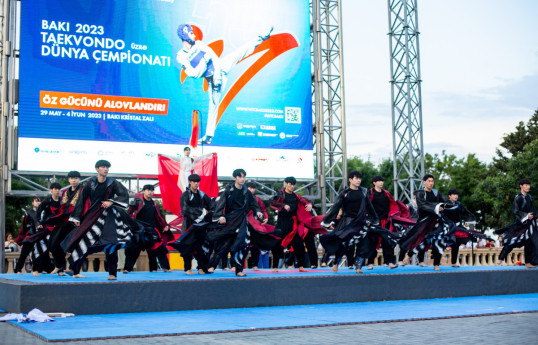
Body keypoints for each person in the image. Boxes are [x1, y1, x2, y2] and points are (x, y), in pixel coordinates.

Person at [176, 24, 272, 144]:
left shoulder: (199, 44)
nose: (194, 35)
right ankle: (208, 137)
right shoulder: (181, 56)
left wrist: (217, 76)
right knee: (213, 106)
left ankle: (262, 36)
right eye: (191, 33)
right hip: (210, 78)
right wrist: (205, 60)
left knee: (239, 52)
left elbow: (215, 58)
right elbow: (194, 74)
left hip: (219, 68)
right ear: (184, 36)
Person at [66, 160, 136, 280]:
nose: (106, 169)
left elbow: (124, 194)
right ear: (97, 169)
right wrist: (76, 217)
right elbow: (81, 200)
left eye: (107, 167)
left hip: (109, 216)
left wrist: (111, 201)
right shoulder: (90, 184)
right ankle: (74, 268)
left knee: (111, 242)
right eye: (103, 167)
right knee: (85, 242)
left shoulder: (113, 182)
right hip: (93, 216)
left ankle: (112, 273)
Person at [320, 171, 390, 274]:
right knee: (345, 245)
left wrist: (371, 220)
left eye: (359, 179)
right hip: (347, 223)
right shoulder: (344, 193)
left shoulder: (363, 192)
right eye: (356, 178)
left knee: (364, 244)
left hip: (361, 223)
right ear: (350, 180)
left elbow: (369, 207)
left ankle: (358, 267)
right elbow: (335, 207)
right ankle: (336, 263)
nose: (358, 180)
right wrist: (329, 221)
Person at [206, 169, 265, 276]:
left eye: (244, 177)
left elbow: (254, 204)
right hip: (230, 220)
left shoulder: (246, 192)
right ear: (235, 178)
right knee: (223, 244)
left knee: (242, 245)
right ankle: (211, 266)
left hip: (242, 221)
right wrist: (220, 217)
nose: (242, 179)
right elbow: (220, 205)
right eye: (240, 177)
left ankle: (239, 270)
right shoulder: (228, 191)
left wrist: (258, 212)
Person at [271, 176, 323, 272]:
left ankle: (301, 266)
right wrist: (283, 205)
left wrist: (310, 204)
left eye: (293, 184)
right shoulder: (280, 194)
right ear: (285, 184)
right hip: (282, 222)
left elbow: (306, 201)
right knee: (278, 244)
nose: (292, 186)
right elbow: (273, 202)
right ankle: (274, 267)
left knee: (299, 245)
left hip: (293, 223)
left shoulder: (296, 196)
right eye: (290, 184)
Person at [399, 174, 449, 271]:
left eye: (432, 181)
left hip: (435, 221)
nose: (431, 183)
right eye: (429, 181)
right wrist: (436, 207)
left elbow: (444, 202)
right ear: (424, 182)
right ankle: (402, 258)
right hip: (423, 220)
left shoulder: (436, 193)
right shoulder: (419, 193)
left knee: (433, 241)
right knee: (413, 238)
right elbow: (422, 205)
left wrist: (446, 206)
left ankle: (429, 263)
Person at [170, 174, 214, 275]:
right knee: (187, 247)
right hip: (189, 225)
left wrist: (208, 213)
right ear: (189, 182)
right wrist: (201, 211)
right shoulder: (185, 195)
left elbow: (211, 206)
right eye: (194, 181)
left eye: (197, 182)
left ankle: (201, 268)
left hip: (201, 226)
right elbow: (185, 209)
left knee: (201, 247)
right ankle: (187, 269)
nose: (196, 183)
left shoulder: (202, 194)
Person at [124, 184, 172, 273]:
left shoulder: (155, 204)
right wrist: (132, 224)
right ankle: (127, 269)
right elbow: (129, 213)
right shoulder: (138, 201)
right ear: (143, 191)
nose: (150, 192)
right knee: (132, 248)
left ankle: (162, 268)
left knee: (159, 248)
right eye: (148, 190)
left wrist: (165, 225)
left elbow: (159, 216)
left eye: (151, 190)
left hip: (151, 229)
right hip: (139, 230)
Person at [495, 179, 538, 268]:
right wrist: (526, 216)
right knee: (512, 240)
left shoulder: (529, 197)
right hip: (521, 224)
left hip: (530, 224)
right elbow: (515, 211)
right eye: (526, 185)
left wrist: (535, 217)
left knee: (531, 242)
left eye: (528, 185)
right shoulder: (518, 197)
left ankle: (529, 262)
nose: (528, 187)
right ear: (521, 186)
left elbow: (533, 209)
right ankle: (500, 258)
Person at [443, 189, 485, 267]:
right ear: (449, 196)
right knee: (443, 242)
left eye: (457, 194)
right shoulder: (445, 204)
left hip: (458, 226)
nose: (456, 196)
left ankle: (453, 262)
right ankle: (437, 262)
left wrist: (467, 221)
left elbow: (466, 212)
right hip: (448, 226)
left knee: (457, 243)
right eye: (454, 194)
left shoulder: (459, 204)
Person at [366, 176, 400, 269]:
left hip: (386, 221)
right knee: (373, 242)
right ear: (374, 183)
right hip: (374, 222)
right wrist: (369, 220)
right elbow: (366, 207)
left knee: (388, 241)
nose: (381, 182)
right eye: (378, 181)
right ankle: (370, 263)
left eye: (382, 181)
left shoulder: (386, 193)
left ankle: (390, 262)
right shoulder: (370, 193)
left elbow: (392, 204)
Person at [13, 197, 41, 274]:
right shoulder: (28, 213)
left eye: (39, 201)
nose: (38, 203)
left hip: (39, 235)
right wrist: (22, 239)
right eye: (36, 201)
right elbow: (24, 226)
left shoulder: (42, 213)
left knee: (37, 253)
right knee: (24, 253)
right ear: (32, 203)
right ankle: (18, 269)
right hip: (30, 235)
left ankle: (36, 269)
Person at [246, 182, 269, 270]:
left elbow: (263, 209)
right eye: (250, 188)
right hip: (243, 224)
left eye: (253, 188)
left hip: (255, 225)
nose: (252, 190)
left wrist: (266, 217)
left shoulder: (257, 199)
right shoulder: (241, 197)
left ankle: (255, 265)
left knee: (255, 246)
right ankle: (234, 265)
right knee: (241, 244)